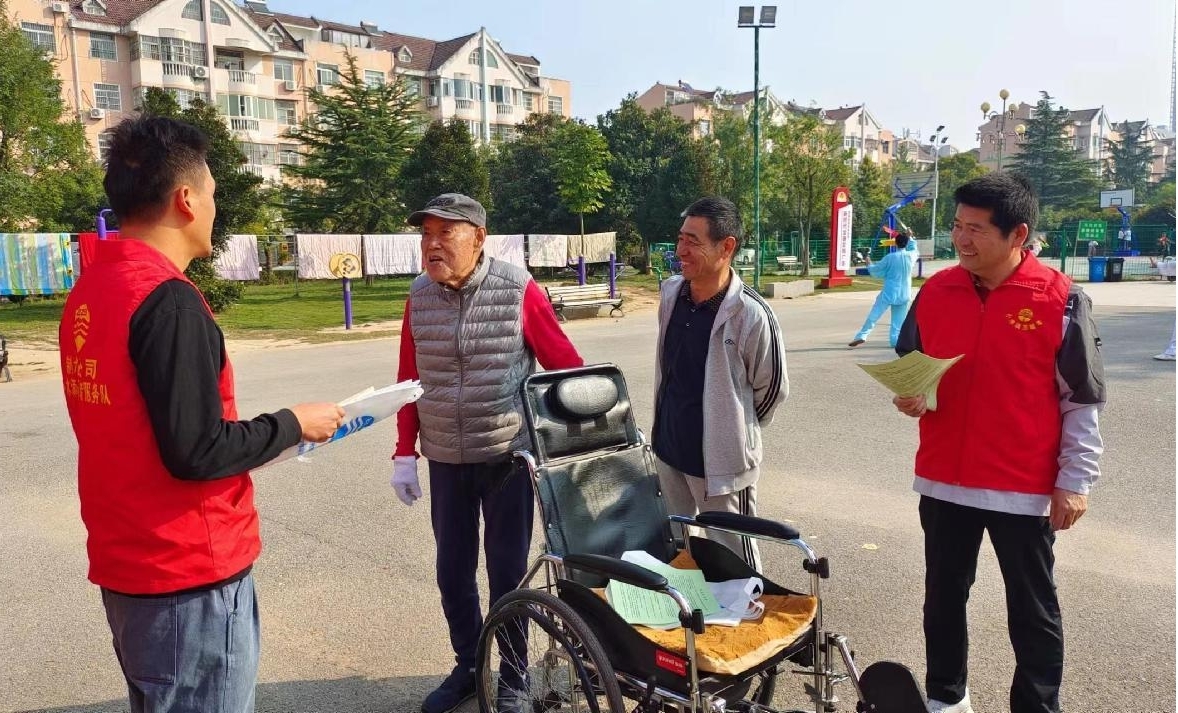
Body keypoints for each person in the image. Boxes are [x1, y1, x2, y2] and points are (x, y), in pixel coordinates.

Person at [56, 115, 345, 713]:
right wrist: (294, 424)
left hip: (131, 564)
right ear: (186, 200)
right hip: (186, 573)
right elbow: (196, 450)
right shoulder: (167, 301)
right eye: (212, 193)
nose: (215, 207)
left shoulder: (95, 286)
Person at [891, 172, 1105, 713]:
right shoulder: (936, 291)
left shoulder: (1060, 299)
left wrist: (1075, 481)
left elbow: (1081, 400)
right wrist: (914, 395)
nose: (961, 239)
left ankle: (1037, 706)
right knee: (942, 600)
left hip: (1022, 486)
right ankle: (946, 699)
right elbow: (914, 363)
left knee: (1033, 611)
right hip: (944, 479)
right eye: (957, 226)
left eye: (977, 229)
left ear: (1018, 234)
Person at [389, 193, 584, 713]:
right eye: (425, 235)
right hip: (446, 459)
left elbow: (566, 367)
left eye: (444, 233)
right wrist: (404, 453)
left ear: (478, 237)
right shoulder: (418, 297)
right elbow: (409, 378)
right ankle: (470, 667)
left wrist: (570, 445)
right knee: (452, 572)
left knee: (506, 573)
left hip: (505, 458)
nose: (431, 245)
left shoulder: (517, 289)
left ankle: (515, 675)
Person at [652, 196, 788, 571]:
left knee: (736, 565)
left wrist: (734, 427)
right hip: (669, 450)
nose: (681, 250)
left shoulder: (751, 314)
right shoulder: (671, 294)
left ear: (726, 247)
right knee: (676, 554)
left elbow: (772, 389)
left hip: (721, 464)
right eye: (680, 238)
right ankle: (694, 610)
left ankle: (751, 609)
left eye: (693, 241)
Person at [848, 232, 918, 348]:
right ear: (906, 244)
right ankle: (895, 341)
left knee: (874, 314)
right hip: (905, 293)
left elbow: (876, 270)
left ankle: (862, 335)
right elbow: (914, 247)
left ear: (895, 243)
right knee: (898, 321)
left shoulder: (890, 257)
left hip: (890, 291)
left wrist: (868, 262)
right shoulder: (911, 256)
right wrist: (910, 236)